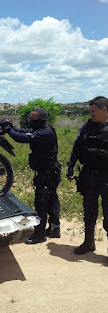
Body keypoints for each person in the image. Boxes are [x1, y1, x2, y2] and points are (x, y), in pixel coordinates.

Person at [0, 108, 61, 244]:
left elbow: (22, 138)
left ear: (41, 120)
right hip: (50, 173)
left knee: (41, 203)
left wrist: (8, 130)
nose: (30, 122)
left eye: (32, 119)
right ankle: (54, 229)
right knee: (52, 201)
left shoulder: (45, 133)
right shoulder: (41, 129)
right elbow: (24, 132)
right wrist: (11, 127)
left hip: (47, 174)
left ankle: (39, 235)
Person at [67, 96, 108, 255]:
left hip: (106, 177)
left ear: (104, 110)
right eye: (90, 111)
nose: (91, 114)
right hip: (89, 176)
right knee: (89, 213)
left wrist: (99, 153)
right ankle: (89, 243)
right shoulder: (87, 127)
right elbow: (77, 147)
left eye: (94, 111)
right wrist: (71, 165)